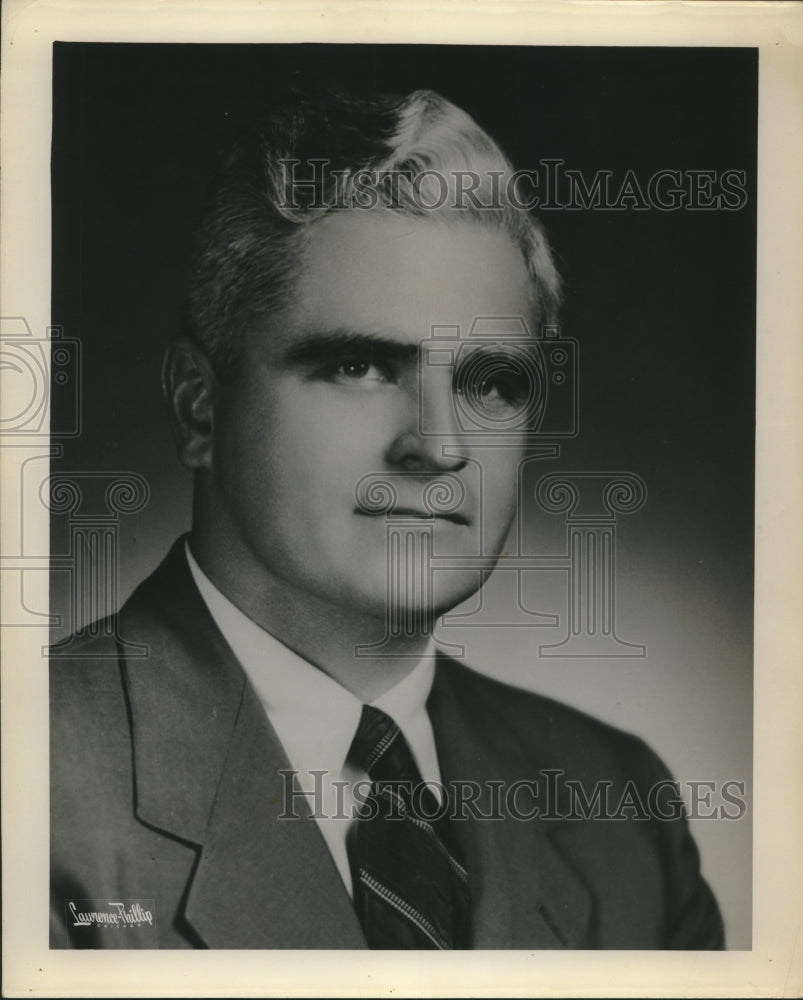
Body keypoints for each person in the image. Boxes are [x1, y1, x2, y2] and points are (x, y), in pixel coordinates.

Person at [50, 88, 724, 949]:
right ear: (198, 407)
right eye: (360, 366)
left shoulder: (622, 813)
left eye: (490, 382)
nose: (439, 447)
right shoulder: (34, 784)